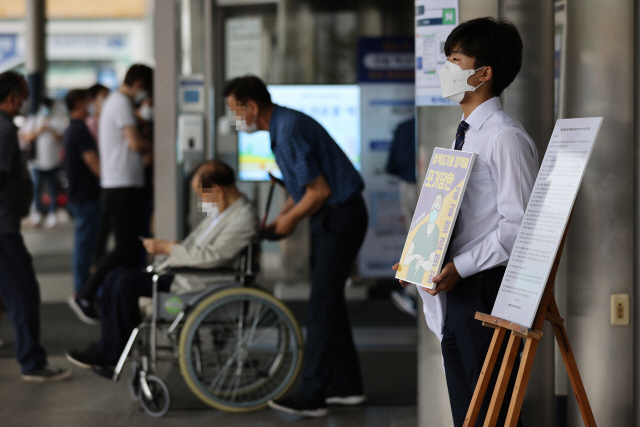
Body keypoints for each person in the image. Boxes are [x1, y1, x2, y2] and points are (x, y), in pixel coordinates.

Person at [394, 18, 538, 427]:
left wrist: (462, 267)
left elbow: (519, 227)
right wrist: (418, 259)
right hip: (456, 289)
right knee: (469, 412)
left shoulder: (504, 137)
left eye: (455, 60)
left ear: (484, 73)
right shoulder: (464, 134)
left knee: (491, 409)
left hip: (484, 289)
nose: (446, 69)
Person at [224, 76, 368, 418]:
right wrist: (284, 216)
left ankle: (312, 394)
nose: (233, 119)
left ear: (253, 107)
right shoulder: (282, 126)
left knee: (321, 302)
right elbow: (303, 192)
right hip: (332, 217)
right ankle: (348, 386)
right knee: (330, 302)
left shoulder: (287, 131)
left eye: (234, 110)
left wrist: (287, 222)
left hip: (340, 217)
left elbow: (318, 193)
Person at [66, 160, 258, 370]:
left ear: (218, 190)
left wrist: (168, 249)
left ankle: (112, 352)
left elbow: (214, 256)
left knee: (125, 283)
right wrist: (176, 248)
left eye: (201, 193)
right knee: (114, 277)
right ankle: (108, 346)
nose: (200, 199)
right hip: (186, 272)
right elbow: (201, 249)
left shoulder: (242, 217)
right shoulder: (222, 213)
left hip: (201, 282)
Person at [0, 71, 73, 382]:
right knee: (24, 295)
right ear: (13, 96)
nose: (26, 101)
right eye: (24, 94)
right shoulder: (4, 131)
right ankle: (32, 363)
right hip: (3, 228)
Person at [68, 64, 153, 325]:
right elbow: (135, 143)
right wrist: (162, 142)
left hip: (121, 185)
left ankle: (115, 299)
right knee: (125, 247)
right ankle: (86, 293)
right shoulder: (121, 103)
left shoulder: (115, 103)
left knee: (128, 249)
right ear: (139, 84)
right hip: (121, 187)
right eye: (147, 89)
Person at [63, 89, 101, 296]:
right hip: (86, 196)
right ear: (79, 103)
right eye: (88, 101)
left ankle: (83, 286)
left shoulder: (72, 129)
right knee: (85, 245)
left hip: (79, 195)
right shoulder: (80, 130)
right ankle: (82, 289)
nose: (91, 105)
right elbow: (93, 162)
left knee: (84, 243)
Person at [386, 116, 419, 316]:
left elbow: (392, 165)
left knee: (414, 238)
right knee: (426, 239)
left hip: (407, 186)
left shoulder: (403, 127)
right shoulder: (440, 125)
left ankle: (414, 292)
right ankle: (414, 292)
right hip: (434, 187)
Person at [20, 97, 65, 229]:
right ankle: (37, 214)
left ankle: (52, 214)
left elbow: (61, 138)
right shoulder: (34, 120)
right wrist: (40, 129)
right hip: (37, 162)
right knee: (37, 189)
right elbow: (26, 137)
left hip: (54, 161)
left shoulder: (56, 120)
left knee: (52, 189)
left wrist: (50, 128)